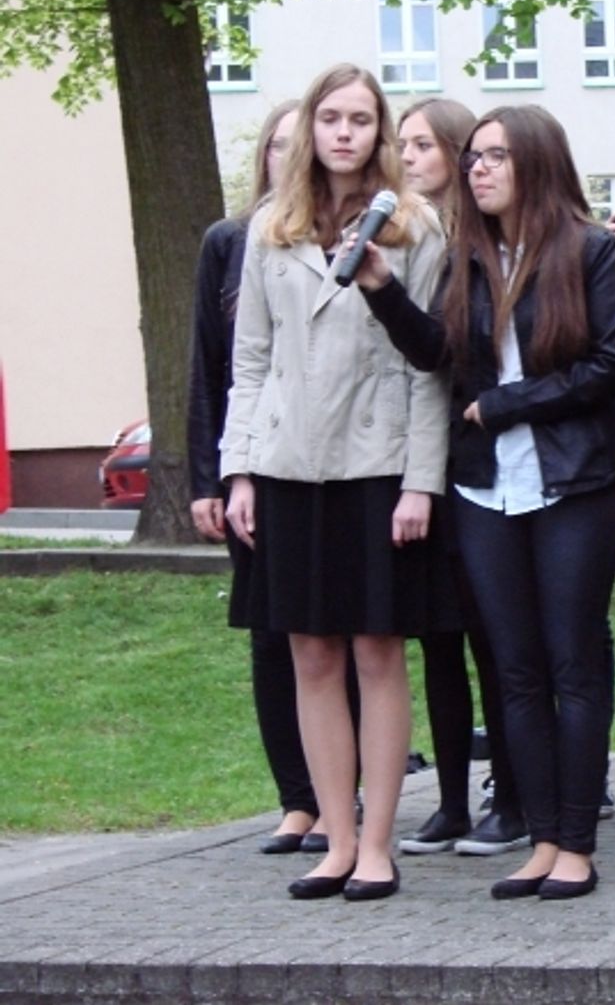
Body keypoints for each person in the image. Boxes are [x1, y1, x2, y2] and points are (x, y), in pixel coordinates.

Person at [355, 104, 615, 901]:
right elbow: (439, 354)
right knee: (514, 669)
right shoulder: (466, 256)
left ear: (535, 163)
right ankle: (540, 839)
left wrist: (510, 404)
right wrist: (381, 289)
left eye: (495, 156)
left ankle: (576, 843)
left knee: (572, 663)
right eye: (473, 156)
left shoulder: (590, 249)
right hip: (484, 486)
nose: (477, 168)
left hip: (571, 481)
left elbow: (613, 363)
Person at [221, 63, 451, 902]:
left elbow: (431, 369)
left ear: (379, 131)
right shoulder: (270, 227)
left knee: (376, 649)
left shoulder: (415, 226)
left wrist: (421, 482)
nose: (344, 133)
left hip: (378, 464)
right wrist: (239, 468)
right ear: (309, 129)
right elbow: (250, 360)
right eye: (330, 118)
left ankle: (379, 843)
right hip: (287, 464)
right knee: (310, 652)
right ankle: (336, 835)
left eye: (360, 119)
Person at [189, 99, 344, 855]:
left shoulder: (345, 235)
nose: (289, 156)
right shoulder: (231, 241)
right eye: (276, 145)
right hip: (254, 462)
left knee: (340, 633)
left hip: (334, 464)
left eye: (297, 143)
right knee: (272, 635)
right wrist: (211, 479)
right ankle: (297, 799)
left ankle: (343, 794)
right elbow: (215, 370)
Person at [390, 98, 525, 859]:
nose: (409, 157)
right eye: (402, 144)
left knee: (490, 637)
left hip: (475, 459)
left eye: (423, 144)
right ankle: (448, 800)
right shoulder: (405, 231)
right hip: (418, 459)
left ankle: (512, 791)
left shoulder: (476, 245)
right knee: (438, 639)